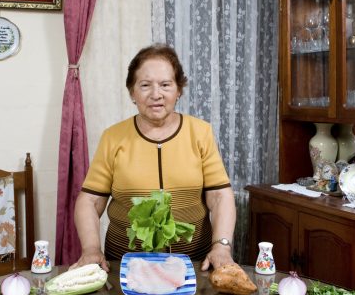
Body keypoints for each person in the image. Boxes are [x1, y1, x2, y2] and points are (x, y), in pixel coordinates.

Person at [70, 44, 238, 272]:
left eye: (166, 85)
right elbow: (89, 200)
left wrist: (222, 247)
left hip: (193, 265)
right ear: (132, 92)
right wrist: (91, 249)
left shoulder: (200, 133)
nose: (156, 94)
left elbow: (220, 196)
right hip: (126, 265)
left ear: (178, 90)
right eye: (145, 85)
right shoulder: (113, 137)